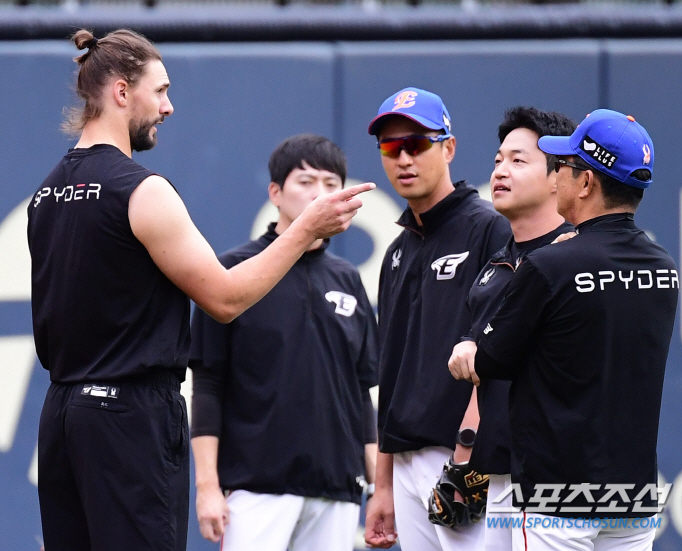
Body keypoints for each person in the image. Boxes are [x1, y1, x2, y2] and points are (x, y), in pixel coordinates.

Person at [28, 29, 373, 551]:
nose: (168, 106)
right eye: (160, 90)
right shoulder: (142, 190)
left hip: (62, 418)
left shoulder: (45, 195)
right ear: (122, 92)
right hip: (128, 419)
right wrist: (308, 228)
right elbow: (226, 298)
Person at [464, 109, 679, 550]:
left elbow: (490, 359)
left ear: (586, 183)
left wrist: (465, 351)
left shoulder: (550, 264)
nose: (557, 175)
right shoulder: (664, 267)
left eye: (564, 166)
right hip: (633, 493)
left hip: (555, 492)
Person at [188, 134, 379, 551]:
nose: (320, 194)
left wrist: (379, 485)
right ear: (275, 192)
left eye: (332, 184)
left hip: (338, 489)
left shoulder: (348, 278)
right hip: (255, 489)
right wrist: (207, 487)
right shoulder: (233, 271)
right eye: (306, 182)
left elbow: (360, 391)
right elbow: (207, 384)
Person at [363, 87, 511, 550]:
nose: (403, 157)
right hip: (404, 460)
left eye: (417, 143)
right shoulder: (396, 251)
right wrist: (382, 485)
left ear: (448, 147)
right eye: (391, 146)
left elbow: (498, 354)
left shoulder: (490, 227)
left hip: (463, 456)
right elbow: (390, 372)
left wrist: (468, 453)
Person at [446, 106, 576, 551]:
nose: (501, 170)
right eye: (499, 159)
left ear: (560, 175)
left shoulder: (576, 260)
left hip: (554, 475)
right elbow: (486, 376)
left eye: (519, 160)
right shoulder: (496, 265)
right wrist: (465, 461)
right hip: (499, 473)